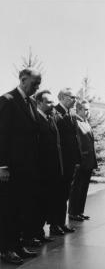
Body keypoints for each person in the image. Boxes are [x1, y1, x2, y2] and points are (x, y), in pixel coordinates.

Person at [0, 68, 41, 265]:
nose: (37, 87)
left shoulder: (31, 102)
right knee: (8, 209)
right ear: (23, 80)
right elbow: (2, 135)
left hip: (26, 168)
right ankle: (6, 249)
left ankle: (16, 246)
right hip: (11, 168)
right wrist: (2, 166)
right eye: (35, 83)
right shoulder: (8, 100)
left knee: (21, 208)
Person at [52, 88, 81, 235]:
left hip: (69, 162)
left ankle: (61, 223)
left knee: (64, 194)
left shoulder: (70, 114)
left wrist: (76, 159)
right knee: (58, 194)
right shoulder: (55, 112)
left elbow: (74, 138)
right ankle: (54, 224)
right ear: (62, 97)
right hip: (60, 162)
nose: (74, 99)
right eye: (72, 97)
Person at [35, 90, 63, 242]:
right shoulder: (36, 119)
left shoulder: (49, 118)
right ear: (39, 103)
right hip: (41, 170)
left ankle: (39, 233)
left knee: (46, 202)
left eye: (53, 102)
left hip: (51, 169)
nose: (53, 105)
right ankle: (34, 234)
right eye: (48, 102)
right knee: (38, 203)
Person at [68, 100, 98, 221]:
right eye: (85, 109)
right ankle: (73, 213)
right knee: (77, 188)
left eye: (88, 109)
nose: (88, 111)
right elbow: (77, 142)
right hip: (81, 161)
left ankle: (79, 211)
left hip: (89, 161)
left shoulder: (85, 122)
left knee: (84, 188)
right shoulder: (76, 122)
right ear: (79, 109)